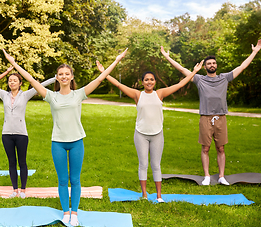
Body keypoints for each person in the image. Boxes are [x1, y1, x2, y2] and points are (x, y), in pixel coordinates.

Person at [3, 48, 127, 226]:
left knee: (75, 180)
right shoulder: (51, 96)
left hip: (77, 142)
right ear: (57, 77)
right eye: (60, 74)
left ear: (71, 77)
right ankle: (65, 212)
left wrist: (116, 60)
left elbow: (100, 79)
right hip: (58, 143)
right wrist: (14, 63)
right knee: (62, 180)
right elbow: (30, 79)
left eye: (66, 74)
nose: (63, 76)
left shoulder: (79, 94)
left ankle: (74, 213)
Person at [96, 59, 204, 202]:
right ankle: (145, 194)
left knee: (156, 165)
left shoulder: (159, 94)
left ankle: (159, 196)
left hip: (157, 134)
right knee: (143, 164)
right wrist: (104, 72)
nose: (149, 82)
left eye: (151, 79)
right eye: (146, 80)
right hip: (141, 134)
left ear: (154, 82)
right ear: (142, 82)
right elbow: (118, 84)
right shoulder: (137, 95)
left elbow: (180, 84)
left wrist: (195, 72)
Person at [161, 39, 261, 185]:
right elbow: (183, 70)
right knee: (205, 148)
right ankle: (207, 176)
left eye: (213, 63)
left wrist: (255, 52)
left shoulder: (224, 78)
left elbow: (242, 67)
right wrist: (168, 57)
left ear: (216, 65)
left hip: (221, 118)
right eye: (209, 63)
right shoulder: (199, 79)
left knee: (221, 148)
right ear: (205, 67)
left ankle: (221, 176)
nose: (211, 65)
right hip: (205, 118)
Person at [0, 70, 55, 198]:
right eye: (10, 81)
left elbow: (39, 85)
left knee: (22, 162)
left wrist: (54, 78)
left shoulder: (25, 95)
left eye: (14, 80)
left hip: (21, 134)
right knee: (11, 162)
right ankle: (15, 189)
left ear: (20, 83)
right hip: (6, 134)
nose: (12, 82)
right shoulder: (4, 95)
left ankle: (23, 190)